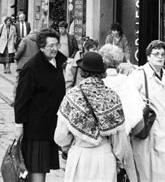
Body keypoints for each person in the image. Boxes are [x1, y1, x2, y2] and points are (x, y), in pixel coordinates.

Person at [54, 52, 137, 182]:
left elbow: (60, 137)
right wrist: (120, 163)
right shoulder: (112, 96)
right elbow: (120, 142)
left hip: (79, 156)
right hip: (104, 156)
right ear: (102, 72)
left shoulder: (72, 96)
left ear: (82, 72)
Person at [14, 29, 66, 182]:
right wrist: (19, 125)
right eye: (50, 46)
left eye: (57, 45)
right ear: (41, 47)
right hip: (36, 127)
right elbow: (21, 99)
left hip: (51, 124)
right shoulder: (32, 67)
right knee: (37, 167)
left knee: (41, 167)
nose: (55, 49)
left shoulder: (58, 62)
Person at [128, 40, 165, 182]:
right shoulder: (139, 75)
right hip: (147, 129)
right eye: (156, 54)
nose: (160, 57)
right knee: (147, 168)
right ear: (148, 56)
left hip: (164, 129)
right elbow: (128, 99)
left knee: (164, 167)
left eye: (162, 54)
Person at [100, 44, 144, 136]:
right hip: (125, 137)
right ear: (118, 63)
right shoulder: (127, 82)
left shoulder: (98, 82)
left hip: (102, 140)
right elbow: (139, 115)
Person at [13, 29, 39, 99]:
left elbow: (20, 50)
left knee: (18, 81)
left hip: (23, 65)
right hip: (34, 65)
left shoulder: (25, 40)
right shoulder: (39, 42)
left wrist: (16, 58)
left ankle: (16, 98)